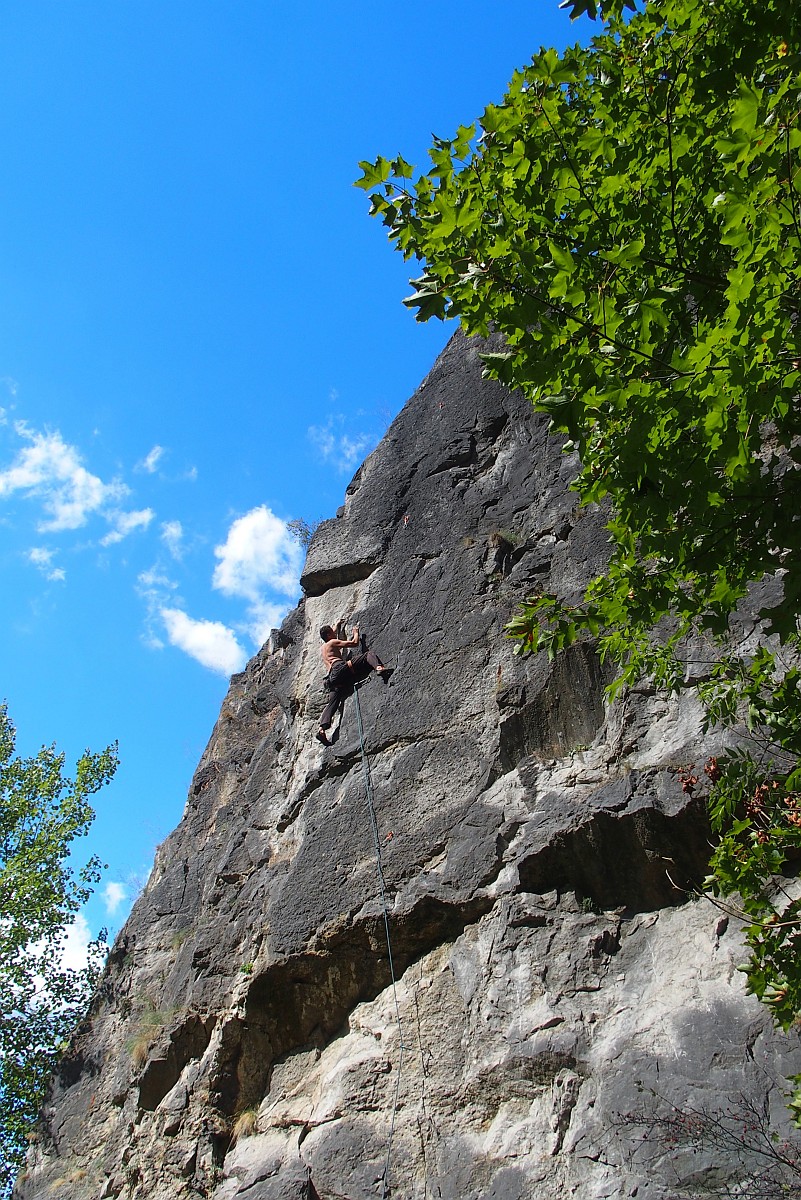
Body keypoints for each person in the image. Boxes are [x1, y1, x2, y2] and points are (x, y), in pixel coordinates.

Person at [316, 623, 393, 745]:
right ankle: (378, 668)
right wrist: (356, 632)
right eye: (332, 632)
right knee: (368, 654)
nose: (335, 633)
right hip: (339, 668)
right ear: (329, 635)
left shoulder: (324, 647)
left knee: (333, 702)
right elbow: (354, 643)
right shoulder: (332, 642)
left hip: (331, 678)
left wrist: (337, 626)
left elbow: (331, 633)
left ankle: (321, 729)